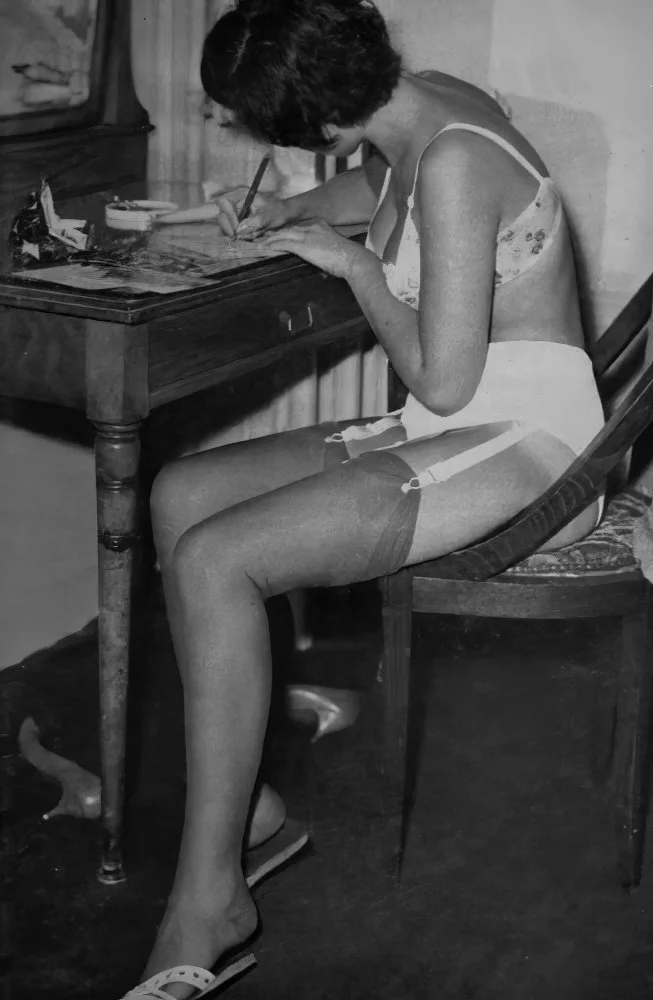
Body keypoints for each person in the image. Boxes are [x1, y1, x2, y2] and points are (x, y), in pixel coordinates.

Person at [124, 0, 605, 996]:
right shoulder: (421, 105)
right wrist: (285, 213)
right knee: (181, 491)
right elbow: (375, 183)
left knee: (217, 558)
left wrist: (350, 265)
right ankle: (247, 809)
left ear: (322, 116)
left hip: (528, 438)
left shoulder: (456, 161)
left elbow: (443, 381)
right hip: (457, 418)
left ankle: (208, 899)